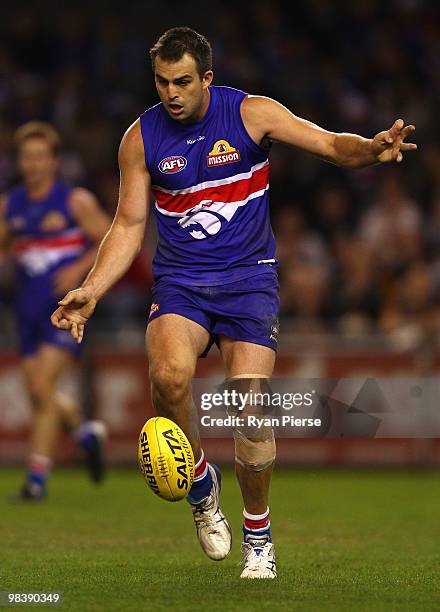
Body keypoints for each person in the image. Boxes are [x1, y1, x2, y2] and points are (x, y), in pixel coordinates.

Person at [51, 27, 417, 578]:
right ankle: (201, 487)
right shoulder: (140, 138)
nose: (171, 93)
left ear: (207, 79)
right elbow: (128, 224)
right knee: (169, 378)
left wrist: (369, 149)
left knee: (251, 411)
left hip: (249, 281)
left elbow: (328, 144)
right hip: (181, 282)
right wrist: (92, 291)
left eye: (181, 82)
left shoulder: (253, 114)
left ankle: (258, 532)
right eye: (161, 82)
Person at [0, 121, 111, 501]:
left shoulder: (73, 201)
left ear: (54, 161)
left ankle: (36, 480)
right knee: (38, 394)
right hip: (27, 311)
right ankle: (85, 433)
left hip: (64, 311)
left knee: (41, 387)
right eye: (26, 157)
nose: (33, 165)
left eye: (40, 157)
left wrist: (77, 268)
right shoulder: (10, 205)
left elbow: (112, 241)